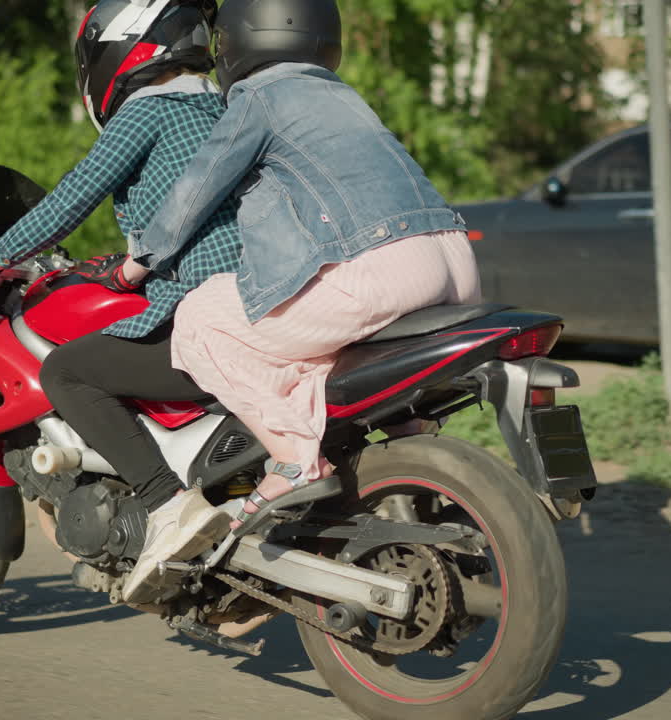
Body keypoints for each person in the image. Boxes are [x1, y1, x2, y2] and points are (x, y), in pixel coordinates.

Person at [126, 0, 481, 589]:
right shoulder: (340, 93)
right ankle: (409, 450)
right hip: (452, 256)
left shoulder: (259, 96)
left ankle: (293, 459)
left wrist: (137, 264)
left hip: (381, 268)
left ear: (233, 40)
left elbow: (196, 192)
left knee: (203, 318)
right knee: (310, 342)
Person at [0, 0, 236, 593]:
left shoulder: (149, 111)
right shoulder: (226, 107)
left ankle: (168, 506)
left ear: (117, 48)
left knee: (69, 372)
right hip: (270, 299)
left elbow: (71, 199)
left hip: (208, 311)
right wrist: (131, 268)